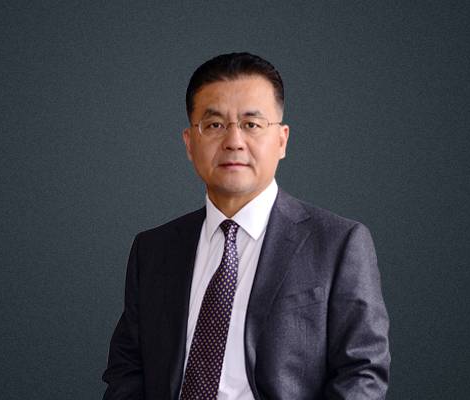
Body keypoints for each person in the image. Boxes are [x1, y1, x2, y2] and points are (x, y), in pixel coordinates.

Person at [102, 52, 390, 399]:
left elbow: (362, 371)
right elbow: (127, 368)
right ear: (190, 143)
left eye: (252, 124)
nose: (234, 141)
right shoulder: (153, 250)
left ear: (281, 140)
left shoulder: (337, 243)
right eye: (214, 125)